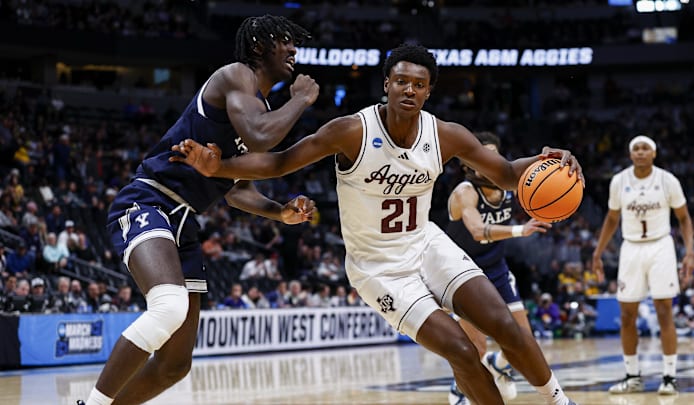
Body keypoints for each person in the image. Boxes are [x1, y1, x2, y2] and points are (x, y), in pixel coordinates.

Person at [171, 43, 582, 405]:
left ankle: (559, 401)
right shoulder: (351, 131)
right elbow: (280, 161)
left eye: (418, 84)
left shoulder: (446, 135)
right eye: (401, 81)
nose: (409, 90)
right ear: (386, 84)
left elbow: (508, 174)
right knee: (461, 349)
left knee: (504, 324)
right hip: (378, 268)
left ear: (428, 91)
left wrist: (547, 160)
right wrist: (220, 167)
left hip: (426, 244)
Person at [79, 14, 318, 405]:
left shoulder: (260, 104)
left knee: (175, 365)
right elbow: (260, 136)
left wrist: (279, 212)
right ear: (259, 46)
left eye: (295, 43)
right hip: (149, 200)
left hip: (186, 224)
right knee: (169, 305)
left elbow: (236, 190)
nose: (293, 49)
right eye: (284, 41)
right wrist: (301, 99)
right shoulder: (236, 76)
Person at [444, 131, 552, 403]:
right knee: (475, 347)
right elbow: (478, 231)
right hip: (464, 272)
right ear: (468, 164)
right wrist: (520, 229)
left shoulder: (507, 186)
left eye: (494, 154)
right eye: (483, 155)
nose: (489, 159)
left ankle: (501, 363)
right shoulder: (464, 192)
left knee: (525, 341)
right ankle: (459, 390)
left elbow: (538, 175)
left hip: (496, 268)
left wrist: (553, 160)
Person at [592, 135, 694, 395]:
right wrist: (598, 252)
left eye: (645, 148)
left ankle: (669, 377)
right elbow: (612, 218)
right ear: (630, 155)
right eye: (635, 149)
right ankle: (632, 376)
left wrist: (690, 252)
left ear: (654, 153)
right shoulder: (619, 181)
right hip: (631, 248)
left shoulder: (667, 180)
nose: (640, 152)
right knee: (627, 315)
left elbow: (683, 218)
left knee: (664, 311)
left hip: (661, 246)